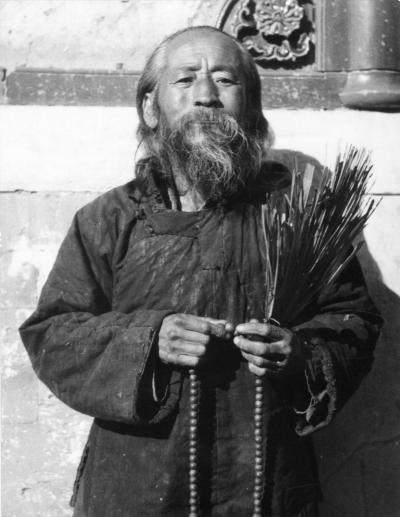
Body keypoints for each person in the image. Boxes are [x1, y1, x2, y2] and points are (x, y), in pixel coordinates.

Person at [19, 26, 381, 517]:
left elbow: (352, 321)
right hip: (137, 487)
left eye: (226, 80)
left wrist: (301, 354)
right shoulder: (108, 220)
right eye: (185, 80)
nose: (206, 96)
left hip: (265, 486)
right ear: (151, 107)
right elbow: (52, 333)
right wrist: (149, 339)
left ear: (250, 107)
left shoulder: (297, 215)